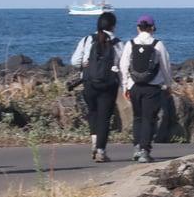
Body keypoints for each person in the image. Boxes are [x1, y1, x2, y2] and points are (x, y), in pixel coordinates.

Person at [69, 11, 122, 162]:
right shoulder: (117, 43)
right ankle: (100, 150)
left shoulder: (87, 40)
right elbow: (122, 64)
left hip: (89, 83)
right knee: (104, 118)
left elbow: (74, 61)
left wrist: (85, 64)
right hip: (108, 85)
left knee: (93, 113)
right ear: (113, 26)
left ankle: (94, 142)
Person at [119, 15, 172, 163]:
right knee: (149, 119)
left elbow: (123, 66)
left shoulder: (130, 44)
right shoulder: (158, 44)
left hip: (134, 86)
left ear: (138, 28)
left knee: (138, 117)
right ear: (152, 28)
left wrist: (125, 86)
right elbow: (165, 67)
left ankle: (137, 148)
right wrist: (168, 84)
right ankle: (144, 151)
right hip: (152, 87)